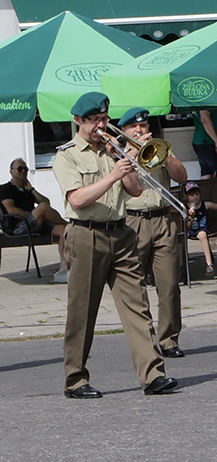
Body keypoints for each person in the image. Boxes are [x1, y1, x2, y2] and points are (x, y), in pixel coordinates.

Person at [52, 92, 177, 399]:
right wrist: (111, 176)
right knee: (82, 310)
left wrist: (126, 159)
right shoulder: (66, 155)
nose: (100, 125)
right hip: (85, 234)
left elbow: (134, 191)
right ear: (78, 121)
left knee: (138, 304)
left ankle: (153, 375)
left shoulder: (113, 150)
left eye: (104, 119)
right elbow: (78, 199)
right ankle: (75, 379)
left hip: (121, 233)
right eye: (94, 120)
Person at [118, 108, 189, 358]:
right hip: (132, 222)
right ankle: (144, 341)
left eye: (145, 126)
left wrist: (166, 156)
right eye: (135, 128)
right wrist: (135, 151)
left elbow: (182, 177)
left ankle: (169, 340)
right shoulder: (118, 154)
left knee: (169, 284)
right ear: (124, 131)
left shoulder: (160, 147)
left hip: (162, 220)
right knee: (135, 287)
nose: (141, 131)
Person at [0, 158, 68, 283]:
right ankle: (70, 224)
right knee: (42, 209)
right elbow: (11, 211)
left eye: (25, 169)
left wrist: (31, 189)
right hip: (18, 227)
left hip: (35, 223)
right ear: (11, 171)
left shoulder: (27, 189)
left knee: (64, 230)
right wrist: (34, 214)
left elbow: (46, 202)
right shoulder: (5, 189)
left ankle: (64, 266)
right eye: (20, 169)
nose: (23, 171)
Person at [184, 181, 217, 278]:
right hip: (189, 229)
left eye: (196, 194)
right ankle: (181, 266)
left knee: (202, 234)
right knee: (182, 236)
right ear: (187, 197)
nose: (195, 197)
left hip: (201, 229)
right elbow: (187, 227)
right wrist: (190, 217)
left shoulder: (205, 204)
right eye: (191, 195)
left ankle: (209, 264)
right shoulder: (185, 208)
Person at [191, 108, 217, 180]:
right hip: (209, 142)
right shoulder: (207, 100)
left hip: (203, 142)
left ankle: (206, 191)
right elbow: (205, 119)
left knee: (206, 173)